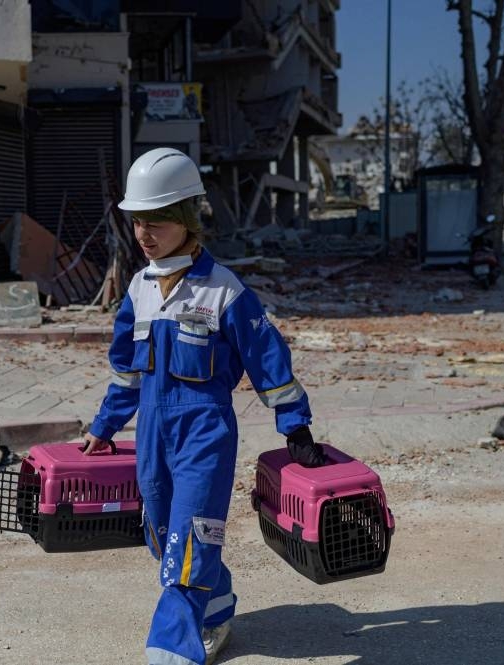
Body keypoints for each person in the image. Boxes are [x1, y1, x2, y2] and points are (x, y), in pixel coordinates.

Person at [82, 147, 324, 665]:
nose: (144, 233)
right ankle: (215, 606)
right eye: (138, 221)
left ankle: (172, 650)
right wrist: (104, 427)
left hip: (204, 432)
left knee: (192, 534)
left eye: (159, 221)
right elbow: (127, 372)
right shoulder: (138, 288)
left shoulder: (224, 291)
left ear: (188, 219)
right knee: (160, 531)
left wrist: (295, 426)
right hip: (152, 431)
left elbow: (268, 361)